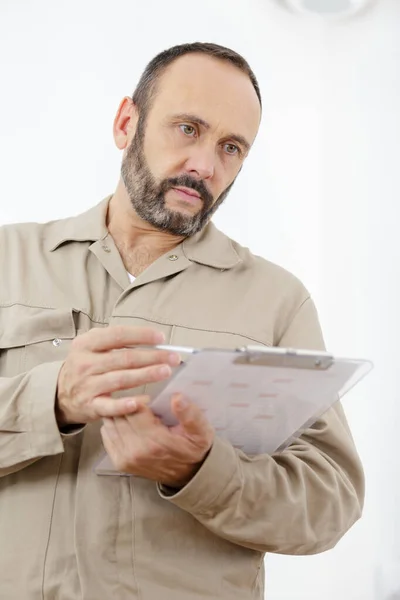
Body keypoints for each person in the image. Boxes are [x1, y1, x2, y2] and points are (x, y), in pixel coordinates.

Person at [0, 42, 364, 600]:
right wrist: (50, 400)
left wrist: (201, 471)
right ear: (127, 123)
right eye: (188, 129)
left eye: (231, 147)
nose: (204, 166)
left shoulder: (277, 301)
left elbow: (328, 503)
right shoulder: (8, 261)